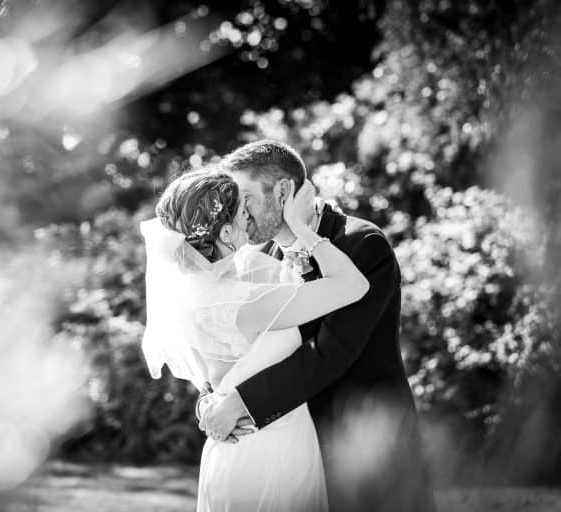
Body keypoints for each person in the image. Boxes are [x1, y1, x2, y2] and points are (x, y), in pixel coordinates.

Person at [197, 139, 437, 512]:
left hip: (363, 437)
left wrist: (242, 403)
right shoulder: (256, 258)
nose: (234, 211)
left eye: (244, 197)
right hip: (292, 447)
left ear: (282, 192)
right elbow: (235, 343)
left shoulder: (363, 245)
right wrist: (213, 401)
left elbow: (329, 352)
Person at [141, 168, 369, 511]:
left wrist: (206, 403)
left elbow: (218, 380)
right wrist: (303, 227)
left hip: (234, 453)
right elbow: (353, 285)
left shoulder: (192, 299)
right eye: (243, 214)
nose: (251, 221)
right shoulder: (246, 303)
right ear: (228, 231)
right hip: (271, 459)